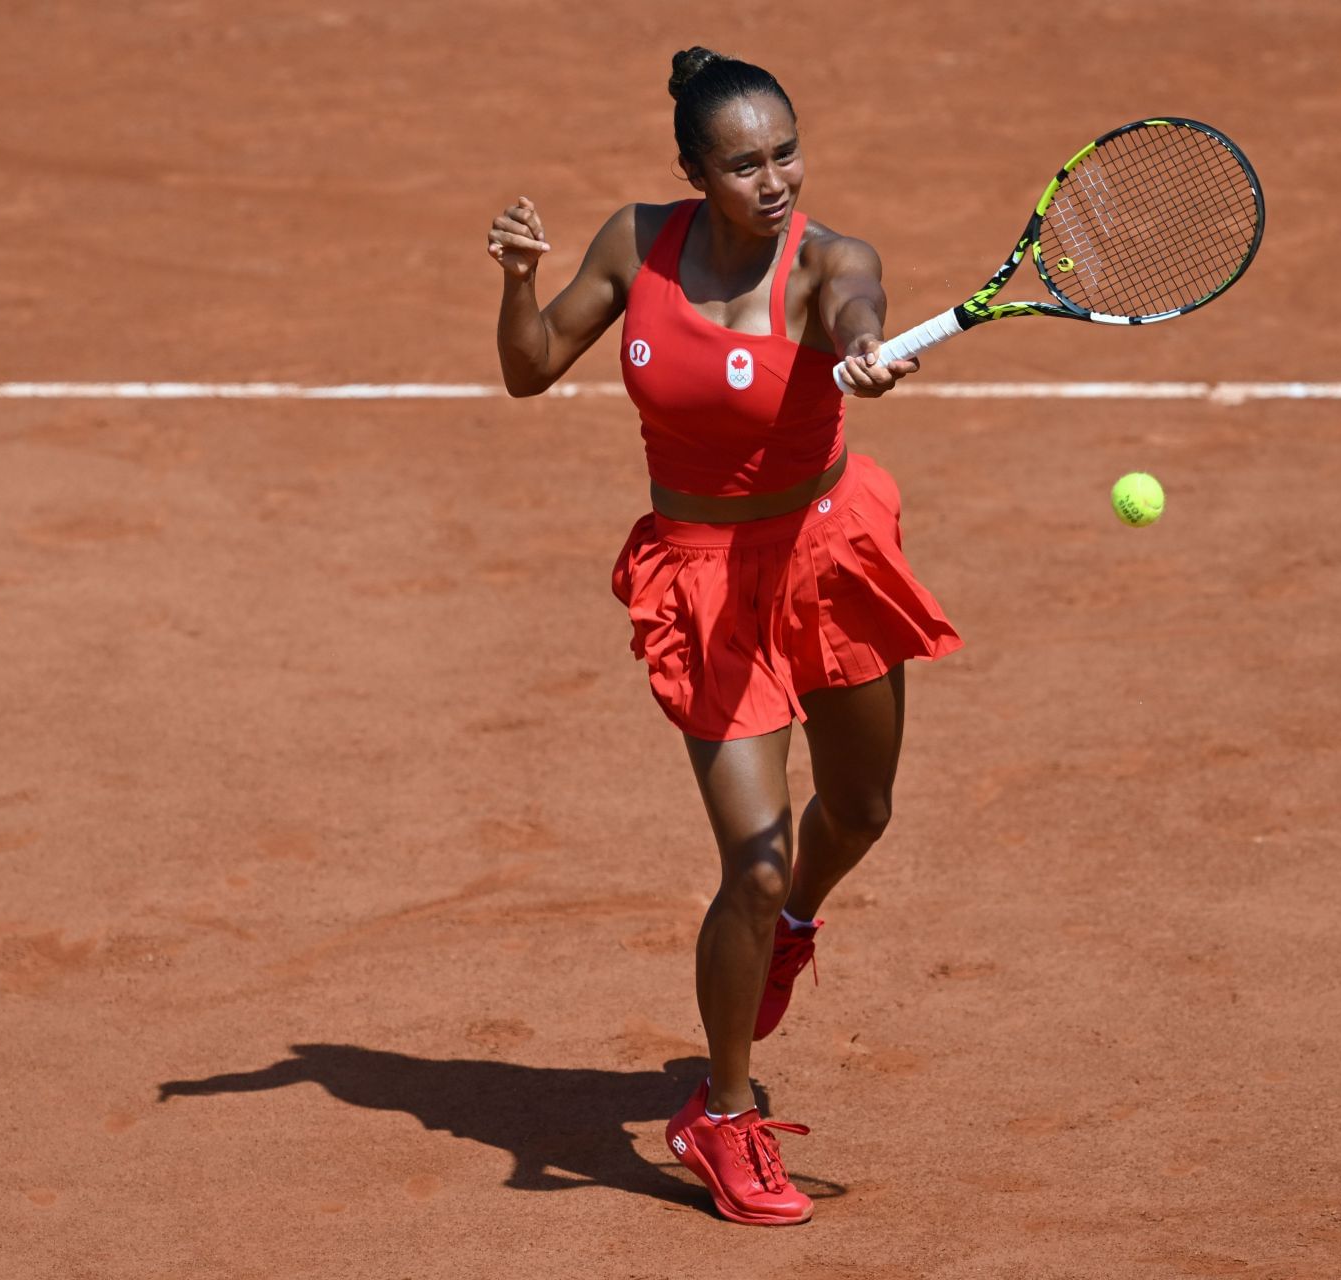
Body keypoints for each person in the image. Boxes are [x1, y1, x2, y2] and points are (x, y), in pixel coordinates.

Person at [487, 46, 961, 1226]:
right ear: (693, 170)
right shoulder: (634, 243)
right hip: (705, 583)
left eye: (786, 152)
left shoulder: (835, 264)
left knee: (857, 812)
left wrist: (862, 345)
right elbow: (531, 368)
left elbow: (856, 305)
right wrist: (517, 280)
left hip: (826, 554)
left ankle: (796, 922)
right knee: (748, 862)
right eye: (743, 163)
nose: (774, 179)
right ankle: (723, 1111)